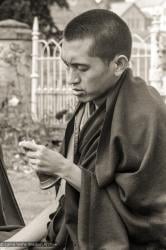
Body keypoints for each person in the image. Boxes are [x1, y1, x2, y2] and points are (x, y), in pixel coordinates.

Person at [3, 9, 166, 250]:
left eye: (82, 68)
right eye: (67, 66)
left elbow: (148, 219)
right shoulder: (85, 110)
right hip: (69, 236)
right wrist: (12, 245)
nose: (71, 79)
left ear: (119, 64)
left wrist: (63, 168)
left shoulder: (146, 115)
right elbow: (64, 202)